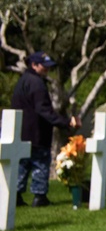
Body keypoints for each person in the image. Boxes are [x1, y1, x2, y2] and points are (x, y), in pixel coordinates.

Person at [14, 51, 80, 207]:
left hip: (21, 132)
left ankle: (15, 195)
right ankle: (39, 196)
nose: (47, 70)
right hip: (37, 132)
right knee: (40, 163)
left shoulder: (23, 80)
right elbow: (44, 110)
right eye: (44, 67)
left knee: (22, 165)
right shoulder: (37, 83)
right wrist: (66, 122)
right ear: (34, 65)